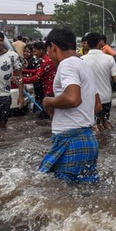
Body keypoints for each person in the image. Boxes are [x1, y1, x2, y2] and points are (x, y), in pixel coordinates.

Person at [39, 27, 100, 183]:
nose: (49, 56)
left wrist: (48, 101)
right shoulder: (84, 65)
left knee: (56, 193)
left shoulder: (67, 64)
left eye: (48, 52)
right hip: (88, 140)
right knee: (83, 195)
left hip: (70, 139)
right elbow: (97, 105)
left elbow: (73, 99)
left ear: (53, 47)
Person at [81, 32, 116, 130]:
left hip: (90, 98)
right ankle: (110, 141)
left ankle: (98, 144)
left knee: (94, 124)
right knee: (106, 121)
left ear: (88, 44)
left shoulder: (82, 60)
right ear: (99, 43)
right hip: (106, 97)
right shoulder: (109, 58)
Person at [23, 41, 57, 119]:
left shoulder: (47, 61)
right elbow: (38, 71)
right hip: (48, 89)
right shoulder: (46, 59)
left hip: (49, 91)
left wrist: (21, 80)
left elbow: (37, 77)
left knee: (45, 116)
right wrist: (23, 71)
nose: (34, 54)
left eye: (35, 51)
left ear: (41, 50)